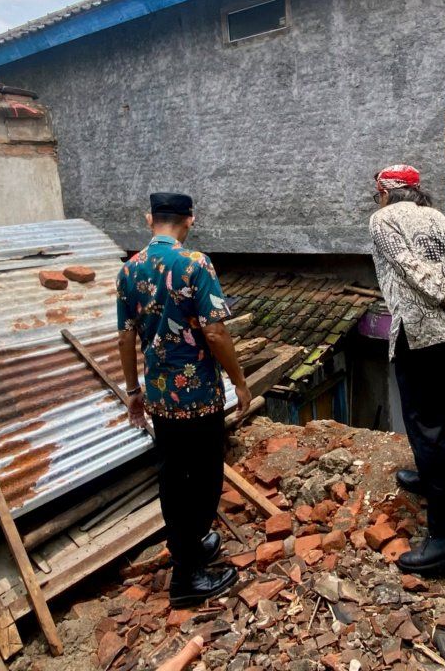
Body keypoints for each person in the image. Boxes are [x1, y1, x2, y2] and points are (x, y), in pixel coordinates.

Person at [116, 192, 250, 606]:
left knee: (174, 477)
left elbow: (124, 336)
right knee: (206, 478)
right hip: (198, 397)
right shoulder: (195, 264)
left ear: (149, 219)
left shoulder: (129, 270)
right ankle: (187, 577)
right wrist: (240, 383)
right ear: (189, 220)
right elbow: (214, 331)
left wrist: (133, 391)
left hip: (159, 398)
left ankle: (190, 546)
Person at [369, 164, 445, 574]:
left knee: (424, 426)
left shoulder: (383, 219)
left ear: (385, 192)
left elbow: (409, 268)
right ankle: (428, 476)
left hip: (419, 336)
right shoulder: (441, 220)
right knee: (438, 420)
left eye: (377, 194)